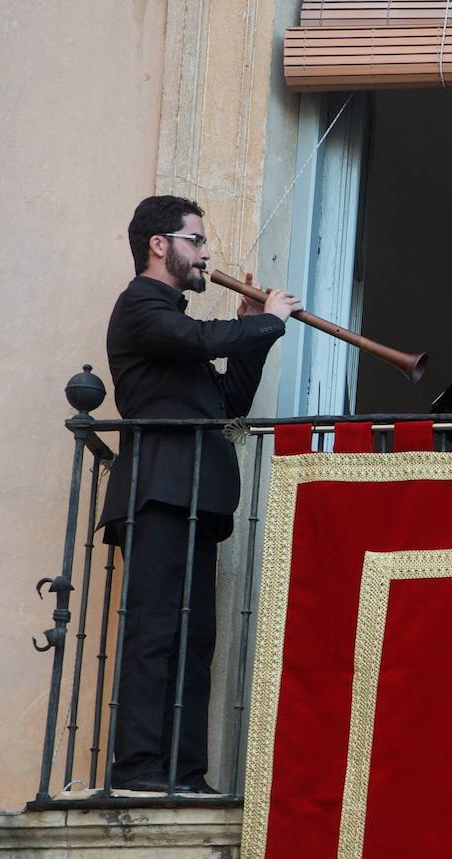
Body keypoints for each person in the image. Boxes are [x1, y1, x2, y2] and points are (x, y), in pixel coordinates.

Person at [99, 195, 299, 793]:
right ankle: (138, 767)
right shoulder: (141, 305)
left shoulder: (179, 332)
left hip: (194, 499)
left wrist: (253, 328)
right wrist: (267, 320)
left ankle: (184, 773)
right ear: (160, 245)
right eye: (197, 240)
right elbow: (196, 339)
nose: (207, 253)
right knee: (155, 631)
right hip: (158, 492)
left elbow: (229, 401)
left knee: (193, 641)